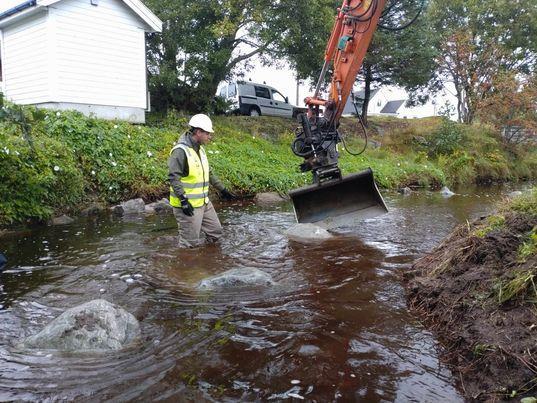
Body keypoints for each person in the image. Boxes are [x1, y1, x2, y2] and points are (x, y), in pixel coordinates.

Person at [168, 114, 235, 247]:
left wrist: (223, 190)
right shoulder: (180, 151)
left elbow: (208, 173)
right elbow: (173, 177)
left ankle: (208, 262)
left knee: (215, 233)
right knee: (189, 244)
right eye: (208, 133)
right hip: (188, 205)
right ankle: (186, 266)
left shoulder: (201, 150)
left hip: (204, 202)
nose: (210, 136)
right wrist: (183, 200)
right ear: (198, 132)